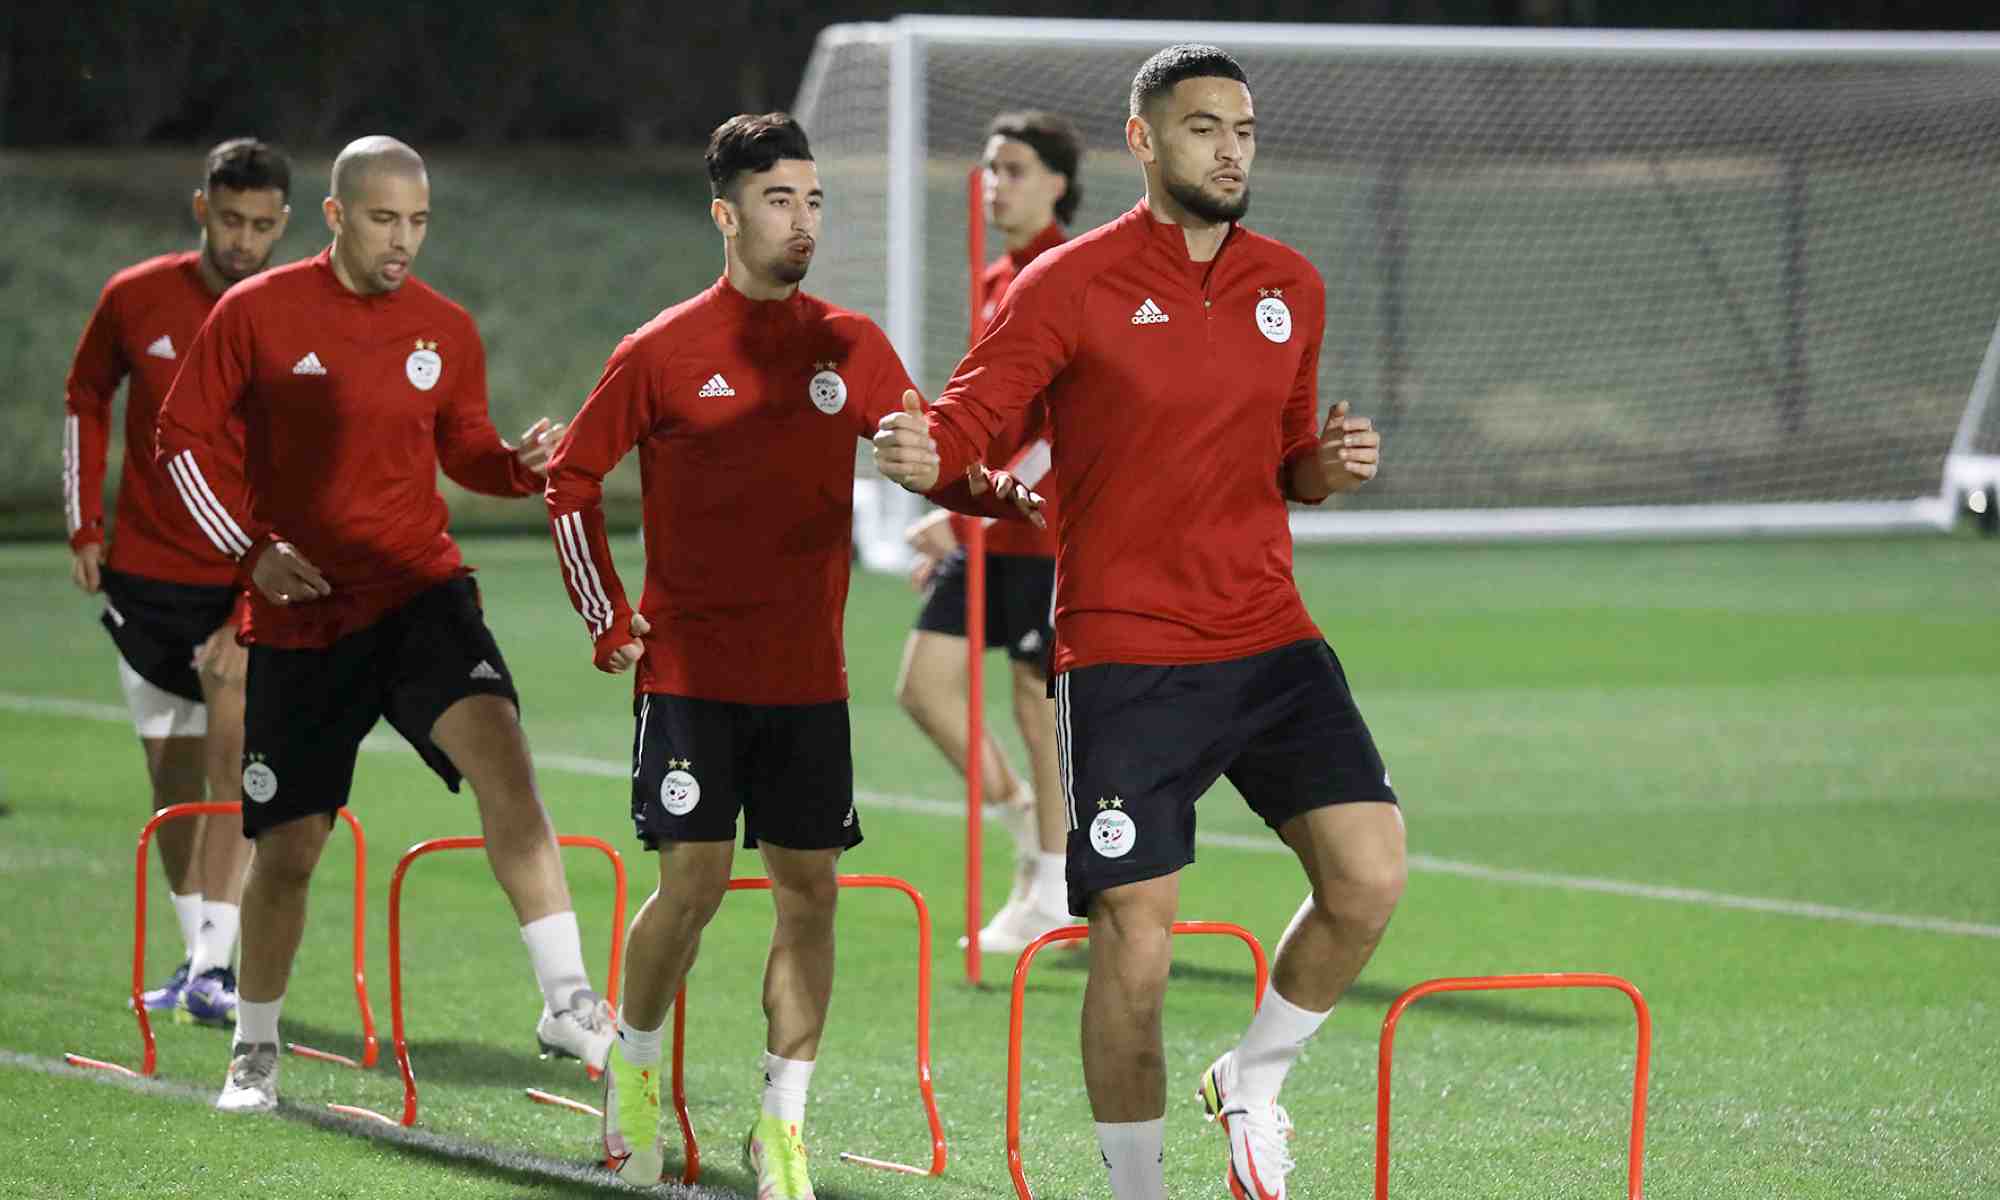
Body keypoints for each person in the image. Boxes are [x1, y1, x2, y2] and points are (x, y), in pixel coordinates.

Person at [871, 45, 1405, 1200]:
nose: (1229, 150)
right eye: (1203, 128)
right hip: (1123, 652)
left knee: (1367, 877)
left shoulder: (1290, 284)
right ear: (1143, 140)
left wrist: (1324, 467)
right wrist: (926, 453)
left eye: (1242, 130)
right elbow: (971, 418)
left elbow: (1288, 461)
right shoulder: (1066, 282)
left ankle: (1252, 1078)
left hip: (1268, 636)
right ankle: (1137, 1189)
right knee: (1134, 937)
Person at [542, 112, 1040, 1197]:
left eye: (813, 200)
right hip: (689, 675)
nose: (802, 220)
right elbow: (570, 478)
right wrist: (605, 612)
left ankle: (780, 1130)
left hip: (808, 680)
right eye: (779, 201)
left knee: (810, 893)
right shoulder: (661, 349)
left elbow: (933, 454)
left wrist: (1008, 495)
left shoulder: (849, 345)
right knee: (692, 886)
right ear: (725, 216)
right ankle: (633, 1074)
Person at [155, 135, 615, 1113]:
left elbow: (464, 449)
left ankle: (567, 998)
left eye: (418, 221)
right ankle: (254, 1048)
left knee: (506, 761)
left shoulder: (444, 327)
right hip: (304, 615)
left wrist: (517, 467)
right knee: (289, 853)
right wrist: (248, 553)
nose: (402, 239)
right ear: (334, 216)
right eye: (382, 219)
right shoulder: (256, 313)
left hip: (419, 594)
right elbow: (179, 441)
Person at [63, 138, 293, 1025]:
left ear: (284, 224)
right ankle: (195, 954)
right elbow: (86, 394)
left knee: (233, 757)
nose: (245, 241)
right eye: (231, 220)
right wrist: (85, 525)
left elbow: (308, 464)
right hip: (144, 576)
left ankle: (217, 966)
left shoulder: (288, 314)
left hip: (243, 583)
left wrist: (254, 599)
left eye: (262, 226)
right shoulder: (136, 296)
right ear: (202, 209)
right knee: (171, 774)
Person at [897, 110, 1081, 954]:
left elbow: (1060, 432)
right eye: (990, 168)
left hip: (1043, 529)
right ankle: (1027, 826)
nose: (994, 185)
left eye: (1014, 169)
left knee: (1036, 709)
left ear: (1057, 183)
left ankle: (1055, 893)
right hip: (989, 524)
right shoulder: (993, 277)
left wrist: (970, 513)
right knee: (924, 686)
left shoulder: (1067, 274)